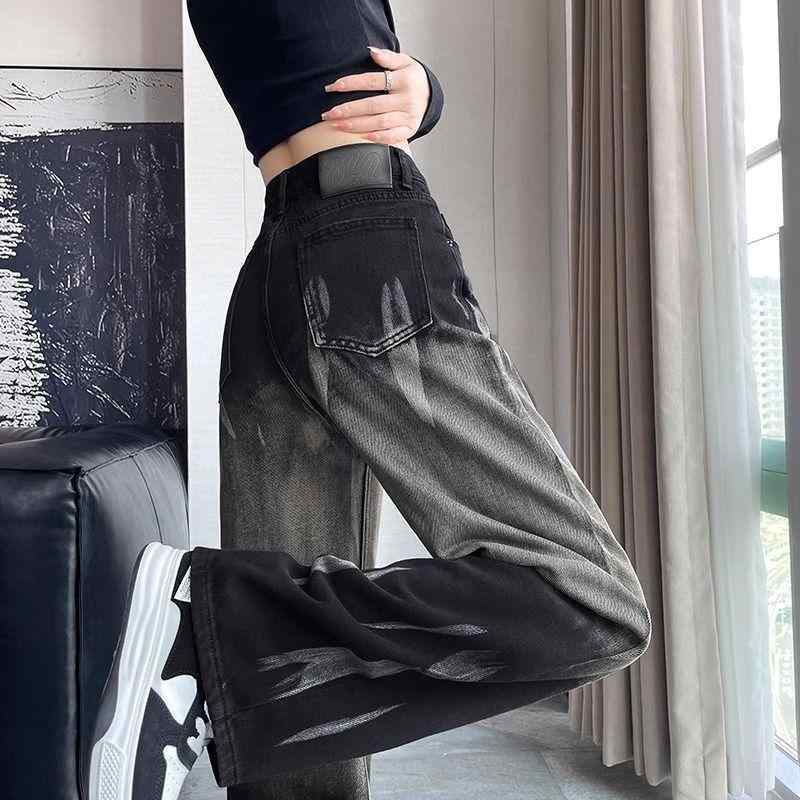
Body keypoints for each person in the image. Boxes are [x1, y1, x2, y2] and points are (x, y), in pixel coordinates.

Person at [84, 3, 653, 800]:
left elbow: (316, 48)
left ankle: (214, 639)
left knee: (299, 732)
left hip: (286, 261)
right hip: (366, 255)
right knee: (589, 600)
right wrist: (423, 91)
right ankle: (207, 622)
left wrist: (424, 91)